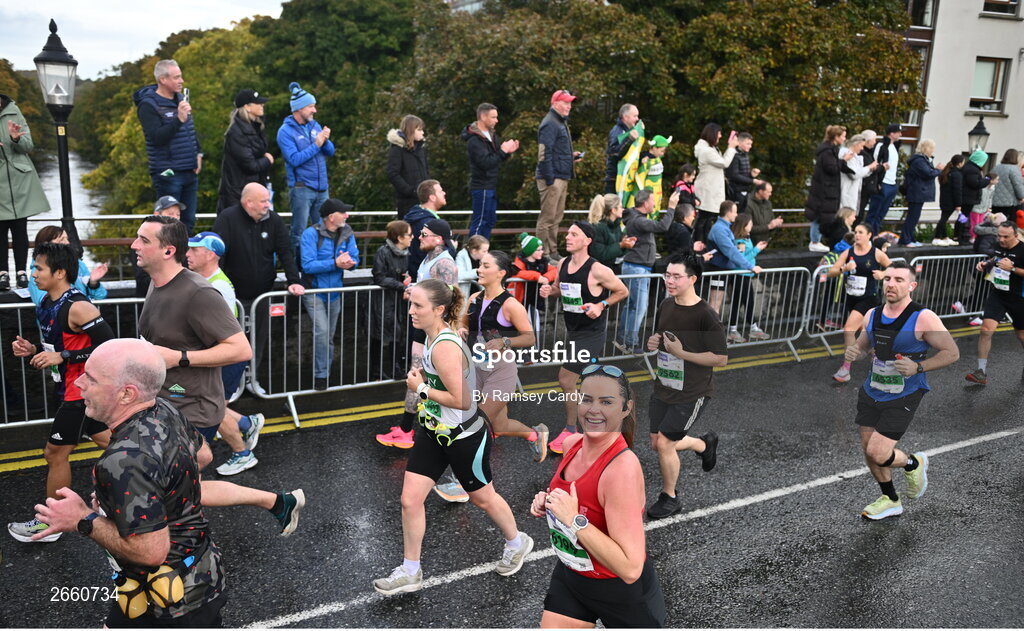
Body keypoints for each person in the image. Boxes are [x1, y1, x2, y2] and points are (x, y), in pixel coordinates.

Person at [32, 339, 227, 626]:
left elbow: (150, 552)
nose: (79, 384)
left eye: (92, 378)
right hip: (203, 574)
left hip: (169, 603)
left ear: (126, 394)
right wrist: (154, 496)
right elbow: (204, 455)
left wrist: (82, 519)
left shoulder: (124, 461)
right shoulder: (164, 408)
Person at [134, 216, 305, 535]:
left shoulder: (199, 292)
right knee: (180, 485)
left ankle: (175, 551)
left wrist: (179, 358)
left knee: (157, 481)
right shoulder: (156, 286)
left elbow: (241, 349)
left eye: (144, 240)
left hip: (192, 407)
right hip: (166, 401)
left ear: (169, 250)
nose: (134, 245)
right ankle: (278, 503)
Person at [373, 279, 534, 595]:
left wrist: (420, 388)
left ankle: (517, 541)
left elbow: (462, 400)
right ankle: (410, 570)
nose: (411, 311)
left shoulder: (445, 346)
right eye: (411, 304)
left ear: (438, 309)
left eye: (418, 306)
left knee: (481, 498)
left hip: (463, 437)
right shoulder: (434, 337)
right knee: (410, 499)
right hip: (434, 432)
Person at [530, 364, 666, 628]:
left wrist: (573, 520)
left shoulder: (621, 469)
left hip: (622, 595)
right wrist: (548, 502)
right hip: (573, 578)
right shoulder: (572, 445)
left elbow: (630, 569)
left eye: (606, 402)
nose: (593, 409)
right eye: (587, 399)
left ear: (625, 408)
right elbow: (576, 500)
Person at [7, 242, 114, 543]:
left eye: (38, 268)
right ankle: (157, 482)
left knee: (54, 454)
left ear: (60, 272)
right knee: (112, 443)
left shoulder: (79, 306)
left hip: (81, 394)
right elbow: (61, 347)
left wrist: (63, 357)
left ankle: (51, 524)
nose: (33, 274)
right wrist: (34, 350)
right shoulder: (47, 304)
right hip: (68, 389)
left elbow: (108, 347)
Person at [843, 261, 959, 519]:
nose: (891, 284)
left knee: (878, 452)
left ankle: (913, 463)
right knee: (868, 450)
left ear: (912, 285)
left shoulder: (923, 317)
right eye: (888, 279)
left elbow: (952, 353)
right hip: (872, 390)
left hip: (905, 394)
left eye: (898, 280)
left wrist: (918, 367)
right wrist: (856, 352)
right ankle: (891, 499)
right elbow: (863, 346)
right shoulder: (872, 313)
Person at [386, 217, 468, 502]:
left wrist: (446, 335)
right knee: (418, 378)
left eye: (425, 234)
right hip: (424, 330)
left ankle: (460, 472)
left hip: (434, 334)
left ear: (440, 238)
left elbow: (446, 299)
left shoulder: (444, 263)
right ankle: (409, 428)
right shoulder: (428, 259)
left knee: (438, 389)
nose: (419, 236)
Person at [644, 253, 727, 519]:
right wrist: (653, 341)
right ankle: (704, 445)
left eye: (676, 276)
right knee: (657, 443)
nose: (669, 280)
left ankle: (670, 497)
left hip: (693, 391)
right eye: (667, 275)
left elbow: (720, 358)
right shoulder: (666, 305)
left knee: (666, 443)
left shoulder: (706, 316)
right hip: (665, 384)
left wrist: (683, 354)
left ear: (693, 279)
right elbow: (662, 335)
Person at [539, 222, 628, 453]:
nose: (567, 237)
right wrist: (551, 291)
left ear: (587, 240)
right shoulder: (563, 264)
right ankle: (607, 425)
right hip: (574, 331)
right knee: (591, 381)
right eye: (567, 233)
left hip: (592, 334)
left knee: (567, 380)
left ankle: (571, 430)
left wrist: (601, 305)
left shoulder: (597, 269)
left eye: (574, 234)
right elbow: (560, 288)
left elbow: (622, 291)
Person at [184, 232, 266, 476]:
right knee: (208, 404)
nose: (187, 254)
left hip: (225, 356)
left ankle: (243, 454)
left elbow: (210, 329)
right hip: (218, 354)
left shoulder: (217, 286)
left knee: (212, 408)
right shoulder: (202, 280)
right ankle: (246, 424)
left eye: (194, 250)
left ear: (210, 254)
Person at [213, 183, 305, 390]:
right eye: (264, 201)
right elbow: (218, 256)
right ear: (248, 202)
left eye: (268, 200)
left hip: (262, 294)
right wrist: (219, 290)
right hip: (233, 297)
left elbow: (285, 253)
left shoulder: (274, 220)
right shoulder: (227, 218)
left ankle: (252, 380)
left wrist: (294, 281)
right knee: (230, 344)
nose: (268, 204)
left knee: (258, 341)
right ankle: (231, 385)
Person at [462, 250, 545, 461]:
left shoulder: (511, 305)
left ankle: (466, 482)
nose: (479, 269)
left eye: (486, 266)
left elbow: (529, 339)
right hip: (477, 369)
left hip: (501, 371)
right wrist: (460, 331)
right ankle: (536, 435)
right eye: (480, 265)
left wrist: (505, 341)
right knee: (500, 425)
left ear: (500, 273)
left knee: (476, 424)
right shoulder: (474, 299)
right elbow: (463, 325)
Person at [133, 59, 201, 231]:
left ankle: (184, 258)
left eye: (181, 77)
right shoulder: (148, 105)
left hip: (189, 170)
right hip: (168, 172)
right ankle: (168, 256)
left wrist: (198, 154)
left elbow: (189, 130)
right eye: (177, 77)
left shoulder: (180, 99)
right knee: (169, 225)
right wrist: (178, 119)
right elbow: (157, 137)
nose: (181, 81)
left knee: (188, 221)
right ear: (163, 79)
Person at [300, 198, 359, 391]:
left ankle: (325, 374)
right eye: (343, 212)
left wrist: (350, 263)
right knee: (323, 333)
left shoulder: (347, 232)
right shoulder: (310, 234)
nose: (347, 215)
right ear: (331, 217)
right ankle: (321, 376)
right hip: (314, 292)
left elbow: (355, 258)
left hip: (335, 292)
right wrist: (335, 263)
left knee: (329, 336)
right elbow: (307, 265)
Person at [828, 223, 893, 383]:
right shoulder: (848, 252)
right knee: (866, 332)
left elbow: (895, 270)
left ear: (869, 235)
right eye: (855, 232)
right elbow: (830, 272)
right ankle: (878, 360)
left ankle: (845, 369)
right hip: (851, 298)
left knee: (849, 329)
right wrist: (844, 268)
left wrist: (883, 274)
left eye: (861, 232)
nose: (857, 235)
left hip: (869, 299)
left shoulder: (876, 253)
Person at [614, 189, 677, 354]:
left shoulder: (635, 219)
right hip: (637, 268)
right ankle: (630, 343)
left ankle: (623, 339)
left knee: (632, 306)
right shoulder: (639, 221)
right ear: (645, 203)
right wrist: (671, 207)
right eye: (653, 200)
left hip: (637, 267)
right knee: (639, 307)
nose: (655, 204)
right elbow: (663, 226)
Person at [0, 93, 50, 291]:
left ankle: (22, 273)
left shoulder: (14, 112)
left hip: (19, 181)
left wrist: (15, 139)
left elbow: (28, 146)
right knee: (0, 230)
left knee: (20, 228)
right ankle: (2, 273)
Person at [277, 82, 334, 254]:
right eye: (311, 106)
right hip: (301, 188)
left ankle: (319, 267)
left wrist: (325, 140)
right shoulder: (285, 131)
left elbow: (330, 151)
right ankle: (298, 272)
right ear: (299, 109)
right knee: (299, 232)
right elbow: (294, 159)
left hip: (322, 188)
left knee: (324, 230)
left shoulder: (314, 125)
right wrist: (316, 145)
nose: (314, 110)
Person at [965, 221, 1024, 385]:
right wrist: (986, 264)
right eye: (999, 236)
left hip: (1019, 298)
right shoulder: (999, 246)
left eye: (1006, 236)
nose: (1002, 239)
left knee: (1021, 336)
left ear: (1015, 235)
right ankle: (981, 372)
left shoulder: (1022, 250)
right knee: (985, 330)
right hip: (998, 295)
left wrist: (1011, 269)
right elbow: (996, 257)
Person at [535, 90, 582, 259]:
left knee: (556, 217)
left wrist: (570, 158)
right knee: (547, 218)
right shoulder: (550, 123)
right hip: (552, 178)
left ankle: (552, 251)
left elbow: (554, 152)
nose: (569, 106)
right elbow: (544, 154)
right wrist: (550, 179)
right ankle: (543, 253)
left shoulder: (559, 121)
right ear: (555, 104)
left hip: (560, 175)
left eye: (570, 103)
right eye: (565, 102)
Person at [463, 103, 519, 237]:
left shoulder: (492, 135)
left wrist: (507, 152)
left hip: (491, 185)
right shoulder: (474, 140)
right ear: (483, 116)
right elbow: (485, 162)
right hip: (481, 186)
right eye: (493, 117)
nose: (496, 120)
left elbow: (495, 159)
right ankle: (473, 252)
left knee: (489, 221)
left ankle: (482, 250)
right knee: (480, 222)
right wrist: (502, 151)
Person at [705, 201, 763, 324]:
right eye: (735, 212)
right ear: (729, 212)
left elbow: (731, 250)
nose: (736, 215)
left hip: (722, 269)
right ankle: (709, 336)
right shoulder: (720, 229)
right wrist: (750, 266)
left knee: (716, 304)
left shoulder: (724, 228)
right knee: (714, 304)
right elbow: (730, 251)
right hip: (718, 269)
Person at [369, 220, 412, 386]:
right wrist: (401, 286)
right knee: (380, 335)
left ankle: (395, 368)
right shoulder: (383, 252)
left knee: (398, 332)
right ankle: (376, 371)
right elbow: (379, 277)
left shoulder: (406, 253)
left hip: (397, 298)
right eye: (409, 234)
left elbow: (399, 273)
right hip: (383, 299)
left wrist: (405, 280)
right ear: (400, 238)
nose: (412, 237)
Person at [218, 88, 272, 212]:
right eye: (258, 103)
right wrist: (267, 160)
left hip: (252, 190)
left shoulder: (257, 128)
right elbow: (249, 165)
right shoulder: (237, 132)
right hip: (238, 194)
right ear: (247, 107)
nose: (262, 105)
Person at [28, 226, 107, 306]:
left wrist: (93, 283)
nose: (67, 243)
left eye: (67, 239)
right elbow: (43, 302)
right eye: (61, 239)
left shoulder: (79, 264)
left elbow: (100, 296)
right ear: (46, 245)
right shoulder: (36, 273)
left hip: (81, 315)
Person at [805, 125, 850, 253]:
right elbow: (832, 168)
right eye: (843, 136)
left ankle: (816, 240)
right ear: (836, 137)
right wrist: (843, 160)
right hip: (825, 191)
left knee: (822, 217)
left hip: (826, 190)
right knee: (819, 216)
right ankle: (814, 241)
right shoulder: (827, 152)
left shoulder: (830, 150)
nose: (844, 138)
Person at [728, 213, 771, 343]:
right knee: (742, 302)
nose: (752, 225)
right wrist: (757, 249)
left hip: (745, 275)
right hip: (740, 275)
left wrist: (757, 248)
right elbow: (741, 260)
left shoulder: (746, 238)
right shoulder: (740, 241)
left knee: (745, 302)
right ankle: (739, 330)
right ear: (744, 225)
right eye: (750, 223)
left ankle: (746, 328)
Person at [692, 123, 739, 243]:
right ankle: (699, 244)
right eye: (719, 133)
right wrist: (731, 147)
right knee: (704, 218)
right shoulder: (707, 151)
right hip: (708, 190)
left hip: (710, 189)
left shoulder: (710, 149)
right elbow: (724, 163)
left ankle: (703, 244)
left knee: (706, 218)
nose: (721, 136)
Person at [134, 196, 184, 298]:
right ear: (157, 214)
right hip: (151, 300)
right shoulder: (139, 245)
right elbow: (142, 281)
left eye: (178, 214)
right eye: (170, 214)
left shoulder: (184, 241)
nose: (175, 218)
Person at [511, 232, 556, 336]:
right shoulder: (520, 262)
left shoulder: (541, 262)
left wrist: (546, 278)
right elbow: (517, 273)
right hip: (520, 300)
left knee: (533, 326)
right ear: (530, 251)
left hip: (534, 301)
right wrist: (537, 276)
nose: (542, 252)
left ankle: (533, 348)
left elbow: (554, 270)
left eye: (542, 249)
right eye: (538, 250)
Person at [386, 114, 430, 220]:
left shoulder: (420, 149)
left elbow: (426, 171)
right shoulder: (397, 149)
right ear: (411, 130)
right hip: (407, 201)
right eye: (419, 129)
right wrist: (410, 191)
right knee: (407, 231)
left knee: (424, 230)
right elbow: (392, 173)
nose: (423, 132)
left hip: (424, 199)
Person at [901, 139, 943, 247]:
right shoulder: (919, 161)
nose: (933, 151)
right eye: (932, 148)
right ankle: (906, 240)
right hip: (916, 192)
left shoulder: (923, 160)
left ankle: (910, 238)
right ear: (927, 148)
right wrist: (938, 170)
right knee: (912, 217)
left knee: (914, 217)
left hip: (919, 192)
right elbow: (928, 173)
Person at [864, 123, 903, 236]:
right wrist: (878, 180)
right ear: (891, 133)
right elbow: (875, 162)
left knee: (882, 213)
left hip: (891, 183)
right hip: (883, 182)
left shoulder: (894, 146)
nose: (900, 134)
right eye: (898, 132)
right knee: (874, 212)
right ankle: (869, 236)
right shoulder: (881, 145)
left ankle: (875, 235)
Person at [404, 180, 446, 281]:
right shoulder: (428, 223)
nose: (444, 193)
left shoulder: (414, 217)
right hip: (426, 279)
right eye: (440, 191)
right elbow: (435, 253)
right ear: (432, 197)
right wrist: (451, 247)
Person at [587, 193, 634, 273]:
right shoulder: (599, 227)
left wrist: (626, 242)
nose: (623, 209)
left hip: (613, 269)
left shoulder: (616, 225)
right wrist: (621, 245)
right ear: (613, 210)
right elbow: (599, 254)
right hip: (600, 272)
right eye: (620, 207)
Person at [605, 104, 641, 194]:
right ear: (625, 117)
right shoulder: (617, 131)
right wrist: (629, 140)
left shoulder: (630, 131)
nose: (637, 119)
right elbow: (614, 153)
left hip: (625, 178)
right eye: (635, 116)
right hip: (615, 178)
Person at [839, 134, 877, 213]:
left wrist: (870, 170)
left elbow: (860, 173)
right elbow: (854, 174)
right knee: (845, 217)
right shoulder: (848, 154)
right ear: (856, 144)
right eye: (861, 146)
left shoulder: (855, 155)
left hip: (851, 192)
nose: (862, 148)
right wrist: (869, 167)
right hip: (846, 192)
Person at [724, 132, 763, 209]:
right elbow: (734, 176)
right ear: (739, 142)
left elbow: (743, 175)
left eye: (751, 144)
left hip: (745, 191)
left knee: (742, 215)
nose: (750, 146)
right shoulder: (734, 155)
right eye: (748, 144)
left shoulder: (745, 155)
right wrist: (753, 181)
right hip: (735, 192)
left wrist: (751, 174)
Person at [933, 155, 965, 246]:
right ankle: (937, 237)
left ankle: (945, 237)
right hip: (951, 201)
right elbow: (957, 190)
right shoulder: (957, 175)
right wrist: (958, 204)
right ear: (959, 163)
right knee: (944, 219)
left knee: (944, 217)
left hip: (944, 200)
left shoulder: (947, 172)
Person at [963, 149, 992, 242]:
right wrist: (987, 180)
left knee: (964, 217)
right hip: (969, 198)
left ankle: (961, 233)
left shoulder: (968, 166)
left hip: (967, 197)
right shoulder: (974, 169)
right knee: (965, 217)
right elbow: (975, 184)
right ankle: (962, 234)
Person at [990, 149, 1024, 218]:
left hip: (994, 201)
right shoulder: (1014, 169)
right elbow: (1017, 185)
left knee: (995, 221)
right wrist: (1021, 197)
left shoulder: (996, 167)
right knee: (1008, 224)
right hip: (1009, 203)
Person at [856, 130, 880, 224]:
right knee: (858, 213)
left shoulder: (869, 152)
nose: (875, 142)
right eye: (874, 139)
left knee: (860, 213)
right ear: (868, 140)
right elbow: (867, 168)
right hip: (862, 187)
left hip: (866, 187)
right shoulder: (862, 153)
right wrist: (877, 167)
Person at [456, 234, 489, 299]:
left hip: (480, 295)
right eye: (484, 251)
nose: (487, 253)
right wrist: (477, 272)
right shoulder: (461, 256)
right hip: (466, 295)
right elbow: (459, 276)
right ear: (474, 251)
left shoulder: (484, 259)